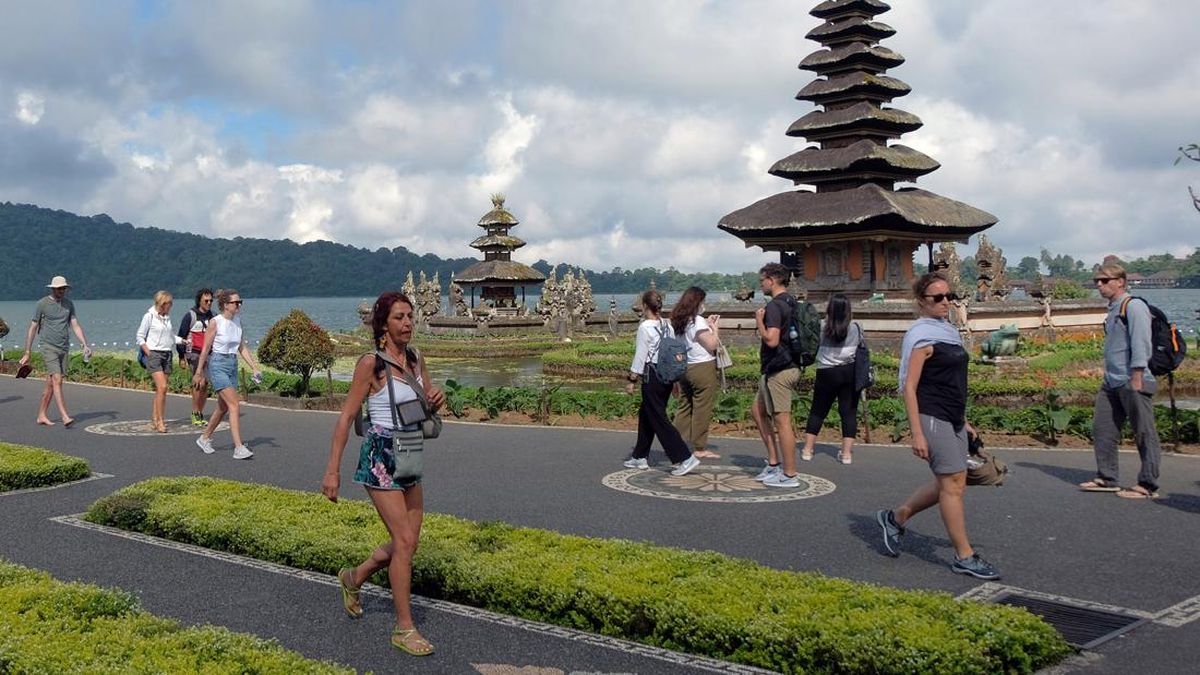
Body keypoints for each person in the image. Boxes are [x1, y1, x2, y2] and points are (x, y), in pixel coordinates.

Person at [321, 291, 445, 657]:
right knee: (404, 542)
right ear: (383, 324)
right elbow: (346, 416)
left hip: (411, 454)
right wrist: (332, 471)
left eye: (410, 317)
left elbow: (428, 409)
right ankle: (404, 628)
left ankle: (354, 577)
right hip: (380, 457)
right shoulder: (370, 365)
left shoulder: (417, 358)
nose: (407, 323)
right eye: (399, 318)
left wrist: (438, 401)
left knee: (409, 543)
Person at [875, 272, 999, 580]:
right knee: (953, 483)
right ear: (921, 302)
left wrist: (965, 422)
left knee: (953, 481)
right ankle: (964, 556)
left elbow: (953, 382)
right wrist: (916, 432)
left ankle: (896, 517)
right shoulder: (921, 337)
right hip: (931, 416)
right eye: (938, 298)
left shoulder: (949, 332)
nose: (947, 302)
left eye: (950, 296)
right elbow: (909, 387)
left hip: (953, 416)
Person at [1078, 263, 1162, 499]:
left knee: (1144, 432)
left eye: (1105, 280)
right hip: (1112, 380)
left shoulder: (1133, 306)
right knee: (1103, 429)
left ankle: (1148, 484)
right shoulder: (1114, 309)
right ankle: (1107, 477)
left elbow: (1141, 343)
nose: (1099, 284)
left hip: (1133, 379)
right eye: (1097, 280)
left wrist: (1137, 375)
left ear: (1121, 282)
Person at [623, 289, 699, 476]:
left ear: (645, 306)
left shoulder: (645, 327)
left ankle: (685, 457)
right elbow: (673, 355)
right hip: (666, 375)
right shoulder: (668, 325)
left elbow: (641, 356)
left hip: (652, 375)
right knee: (647, 413)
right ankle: (639, 455)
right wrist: (674, 380)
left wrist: (632, 379)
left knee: (658, 418)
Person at [192, 289, 262, 459]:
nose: (239, 305)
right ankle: (238, 447)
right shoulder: (215, 322)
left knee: (223, 407)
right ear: (225, 305)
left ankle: (204, 437)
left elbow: (242, 347)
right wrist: (199, 372)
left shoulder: (237, 321)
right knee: (234, 405)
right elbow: (206, 349)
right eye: (235, 302)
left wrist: (254, 367)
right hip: (217, 364)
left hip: (232, 364)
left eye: (240, 302)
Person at [750, 263, 802, 487]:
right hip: (786, 365)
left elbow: (771, 339)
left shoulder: (774, 306)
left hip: (779, 370)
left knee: (782, 421)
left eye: (762, 280)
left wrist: (759, 322)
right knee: (758, 410)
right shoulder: (792, 302)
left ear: (772, 280)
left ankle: (789, 474)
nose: (761, 284)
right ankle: (773, 462)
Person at [19, 275, 92, 427]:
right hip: (48, 347)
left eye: (64, 288)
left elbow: (75, 325)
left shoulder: (68, 304)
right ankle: (65, 416)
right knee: (57, 380)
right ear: (52, 289)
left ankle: (41, 415)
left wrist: (84, 344)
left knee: (51, 384)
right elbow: (33, 327)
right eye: (59, 289)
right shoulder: (42, 304)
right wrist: (27, 352)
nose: (62, 291)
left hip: (64, 347)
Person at [800, 293, 861, 465]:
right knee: (848, 413)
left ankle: (807, 449)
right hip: (849, 372)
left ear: (830, 309)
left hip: (826, 372)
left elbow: (811, 345)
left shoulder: (821, 327)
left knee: (818, 411)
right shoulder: (856, 327)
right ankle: (847, 453)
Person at [670, 286, 722, 459]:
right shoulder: (697, 320)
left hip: (685, 366)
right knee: (702, 407)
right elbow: (712, 345)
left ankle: (675, 443)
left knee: (684, 406)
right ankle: (699, 447)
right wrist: (714, 328)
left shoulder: (679, 320)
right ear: (697, 302)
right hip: (702, 366)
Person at [136, 290, 183, 433]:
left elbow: (170, 336)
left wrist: (183, 341)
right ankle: (161, 421)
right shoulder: (149, 316)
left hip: (167, 353)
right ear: (162, 303)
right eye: (169, 304)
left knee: (160, 390)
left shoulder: (167, 318)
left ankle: (155, 418)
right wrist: (148, 352)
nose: (170, 306)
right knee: (162, 387)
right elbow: (140, 336)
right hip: (154, 354)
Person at [177, 288, 215, 426]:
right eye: (206, 300)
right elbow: (181, 336)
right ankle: (195, 412)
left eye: (211, 300)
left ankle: (199, 411)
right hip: (193, 352)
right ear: (199, 300)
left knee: (205, 385)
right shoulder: (190, 316)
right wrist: (181, 356)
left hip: (209, 354)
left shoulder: (213, 316)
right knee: (200, 382)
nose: (209, 303)